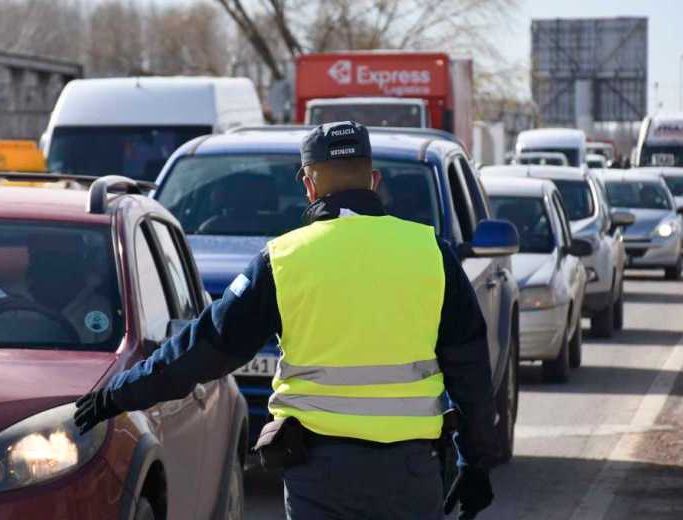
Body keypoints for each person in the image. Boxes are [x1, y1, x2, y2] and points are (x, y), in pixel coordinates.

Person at [74, 121, 497, 519]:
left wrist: (116, 395)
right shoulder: (430, 253)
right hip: (411, 470)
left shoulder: (284, 259)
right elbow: (471, 370)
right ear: (374, 181)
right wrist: (475, 463)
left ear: (309, 185)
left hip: (320, 472)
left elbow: (202, 350)